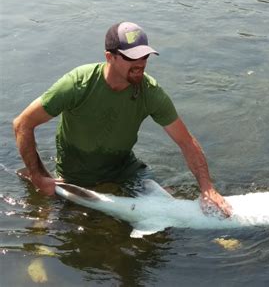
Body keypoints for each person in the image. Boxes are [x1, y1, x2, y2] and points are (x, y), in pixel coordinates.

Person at [13, 21, 232, 216]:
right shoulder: (78, 84)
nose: (141, 63)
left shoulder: (150, 91)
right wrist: (38, 175)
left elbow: (185, 141)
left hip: (125, 170)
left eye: (144, 56)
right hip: (74, 177)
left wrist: (207, 187)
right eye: (131, 57)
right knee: (58, 228)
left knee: (168, 214)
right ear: (110, 57)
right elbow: (22, 124)